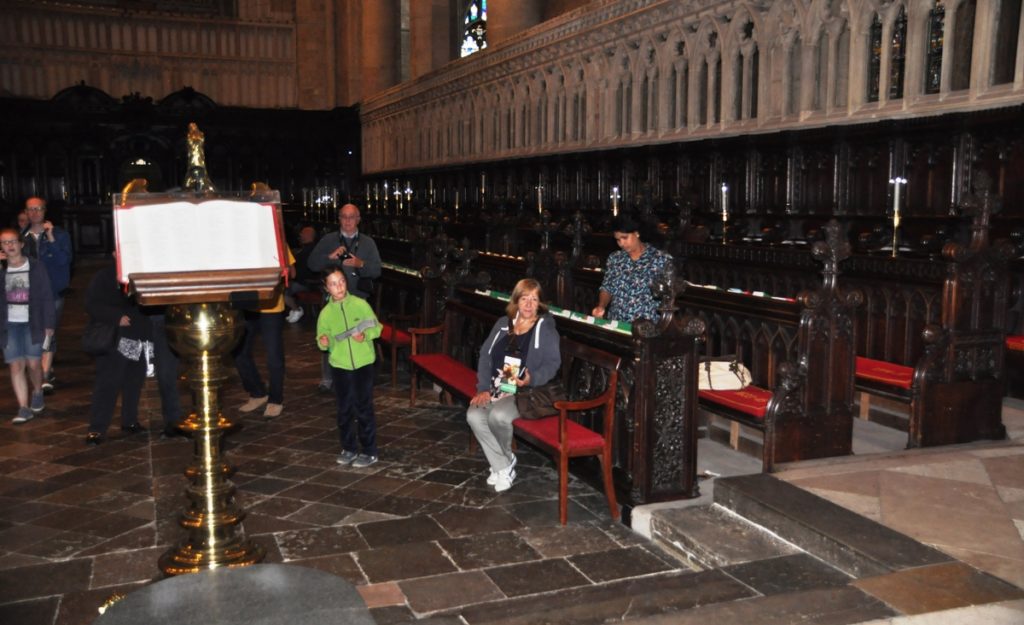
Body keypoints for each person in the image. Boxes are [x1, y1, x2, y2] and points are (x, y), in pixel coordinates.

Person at [467, 278, 561, 493]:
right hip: (498, 385)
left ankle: (502, 465)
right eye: (524, 299)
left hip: (526, 391)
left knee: (498, 416)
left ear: (540, 304)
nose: (528, 304)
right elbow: (485, 355)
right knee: (473, 415)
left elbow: (553, 363)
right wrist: (483, 388)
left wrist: (532, 378)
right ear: (516, 301)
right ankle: (503, 465)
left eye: (534, 299)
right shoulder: (503, 323)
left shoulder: (544, 328)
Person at [308, 203, 382, 391]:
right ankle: (328, 378)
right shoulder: (328, 239)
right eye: (344, 217)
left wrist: (361, 263)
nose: (348, 221)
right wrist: (330, 258)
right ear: (339, 219)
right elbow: (311, 264)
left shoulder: (367, 242)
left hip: (358, 300)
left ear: (358, 219)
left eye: (352, 217)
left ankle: (361, 376)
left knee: (359, 337)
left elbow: (377, 271)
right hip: (333, 300)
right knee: (330, 336)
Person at [316, 268, 382, 469]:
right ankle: (349, 448)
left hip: (363, 364)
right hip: (340, 366)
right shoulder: (326, 314)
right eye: (334, 283)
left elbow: (376, 327)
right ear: (327, 288)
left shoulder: (360, 305)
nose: (339, 287)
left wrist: (366, 336)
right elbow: (321, 340)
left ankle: (369, 451)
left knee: (363, 407)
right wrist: (324, 341)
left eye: (342, 281)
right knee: (344, 408)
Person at [84, 262, 151, 445]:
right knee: (108, 382)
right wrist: (116, 317)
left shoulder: (140, 273)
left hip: (137, 334)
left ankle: (129, 420)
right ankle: (97, 428)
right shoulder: (105, 275)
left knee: (133, 379)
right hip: (116, 337)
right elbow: (92, 303)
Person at [0, 228, 55, 424]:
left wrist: (49, 323)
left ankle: (37, 391)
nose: (9, 246)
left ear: (21, 244)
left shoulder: (36, 267)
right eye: (4, 243)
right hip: (9, 325)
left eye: (13, 241)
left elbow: (47, 296)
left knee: (33, 364)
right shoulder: (2, 269)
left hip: (33, 322)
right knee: (16, 365)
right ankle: (24, 407)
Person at [234, 248, 295, 419]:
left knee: (273, 355)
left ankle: (275, 399)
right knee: (239, 352)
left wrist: (282, 271)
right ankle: (257, 393)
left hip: (271, 305)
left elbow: (292, 271)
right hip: (246, 304)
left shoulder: (276, 238)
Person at [21, 197, 73, 395]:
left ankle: (43, 374)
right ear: (26, 212)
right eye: (30, 210)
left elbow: (64, 261)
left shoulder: (59, 234)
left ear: (45, 211)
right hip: (28, 293)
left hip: (52, 291)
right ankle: (45, 369)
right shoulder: (21, 237)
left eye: (38, 209)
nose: (34, 213)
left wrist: (50, 238)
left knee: (48, 330)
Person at [591, 213, 673, 323]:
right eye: (618, 239)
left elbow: (669, 295)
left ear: (637, 233)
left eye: (625, 238)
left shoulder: (659, 259)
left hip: (646, 325)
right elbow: (607, 287)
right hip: (617, 322)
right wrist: (601, 306)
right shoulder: (615, 258)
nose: (621, 243)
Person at [285, 224, 319, 324]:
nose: (300, 234)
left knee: (282, 291)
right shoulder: (306, 248)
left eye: (303, 232)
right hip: (301, 280)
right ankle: (294, 309)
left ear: (309, 235)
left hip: (306, 283)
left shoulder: (311, 250)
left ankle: (296, 310)